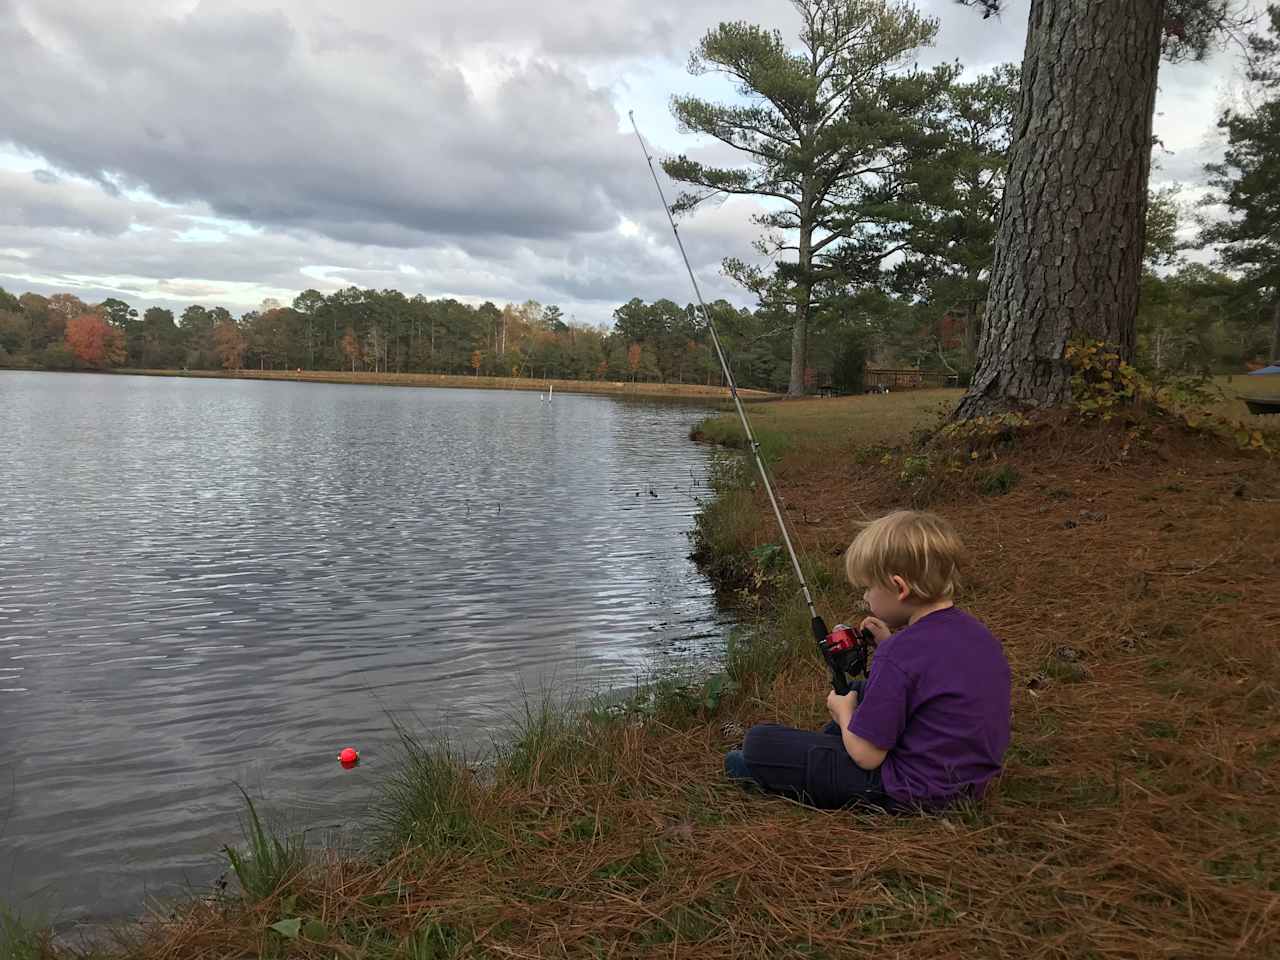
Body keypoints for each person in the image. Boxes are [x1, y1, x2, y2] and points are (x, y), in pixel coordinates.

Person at [725, 510, 1011, 812]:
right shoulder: (978, 635)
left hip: (911, 790)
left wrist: (844, 713)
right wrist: (888, 644)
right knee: (863, 689)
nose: (865, 597)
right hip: (969, 782)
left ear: (899, 588)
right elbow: (934, 676)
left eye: (868, 588)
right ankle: (819, 753)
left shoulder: (899, 654)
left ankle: (771, 769)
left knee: (758, 744)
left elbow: (867, 756)